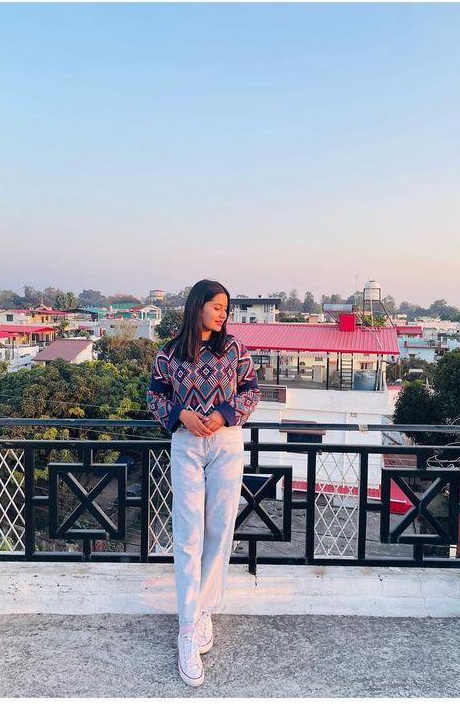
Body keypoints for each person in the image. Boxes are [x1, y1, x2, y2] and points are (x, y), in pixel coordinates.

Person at [146, 279, 261, 687]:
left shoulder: (234, 350)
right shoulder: (169, 354)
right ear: (196, 307)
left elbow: (251, 391)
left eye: (226, 307)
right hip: (187, 445)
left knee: (219, 529)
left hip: (226, 442)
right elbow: (154, 397)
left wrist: (226, 414)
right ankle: (185, 630)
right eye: (215, 305)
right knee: (187, 534)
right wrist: (181, 414)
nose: (222, 313)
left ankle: (204, 610)